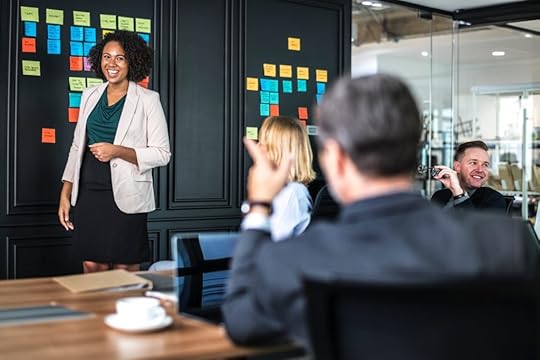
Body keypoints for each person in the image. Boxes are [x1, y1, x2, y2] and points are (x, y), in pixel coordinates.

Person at [222, 74, 535, 350]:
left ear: (336, 159)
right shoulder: (511, 244)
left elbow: (241, 323)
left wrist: (259, 207)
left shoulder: (298, 260)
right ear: (415, 149)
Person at [58, 31, 171, 273]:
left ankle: (124, 312)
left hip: (127, 195)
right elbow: (77, 146)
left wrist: (117, 151)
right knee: (91, 263)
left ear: (132, 62)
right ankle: (98, 313)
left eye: (120, 58)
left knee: (124, 267)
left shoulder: (148, 100)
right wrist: (65, 193)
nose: (112, 64)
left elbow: (163, 153)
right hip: (88, 193)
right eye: (107, 57)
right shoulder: (89, 95)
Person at [256, 116, 316, 241]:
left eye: (264, 143)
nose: (258, 147)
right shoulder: (280, 190)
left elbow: (273, 248)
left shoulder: (292, 193)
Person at [431, 140, 506, 213]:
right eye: (473, 163)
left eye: (485, 165)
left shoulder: (494, 199)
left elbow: (474, 225)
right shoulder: (439, 196)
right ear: (457, 166)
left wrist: (459, 194)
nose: (480, 170)